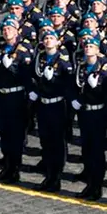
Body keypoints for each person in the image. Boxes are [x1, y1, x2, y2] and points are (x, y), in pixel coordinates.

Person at [30, 27, 74, 192]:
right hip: (43, 103)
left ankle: (56, 177)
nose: (48, 40)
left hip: (57, 105)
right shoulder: (40, 58)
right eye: (46, 38)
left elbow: (68, 84)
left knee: (57, 142)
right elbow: (33, 76)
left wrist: (55, 80)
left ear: (57, 41)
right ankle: (48, 175)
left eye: (51, 38)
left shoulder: (62, 60)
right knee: (45, 140)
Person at [0, 17, 32, 184]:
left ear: (17, 31)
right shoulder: (1, 47)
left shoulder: (22, 49)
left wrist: (11, 66)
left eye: (10, 28)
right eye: (5, 29)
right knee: (4, 132)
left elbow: (25, 75)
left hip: (16, 95)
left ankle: (14, 169)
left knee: (15, 134)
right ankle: (7, 165)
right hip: (2, 94)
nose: (7, 31)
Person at [73, 37, 107, 201]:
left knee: (97, 152)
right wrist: (74, 99)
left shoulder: (104, 71)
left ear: (98, 50)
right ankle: (89, 183)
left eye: (92, 46)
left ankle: (97, 186)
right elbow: (73, 86)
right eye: (86, 46)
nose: (88, 48)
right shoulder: (81, 67)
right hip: (85, 113)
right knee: (86, 150)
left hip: (98, 115)